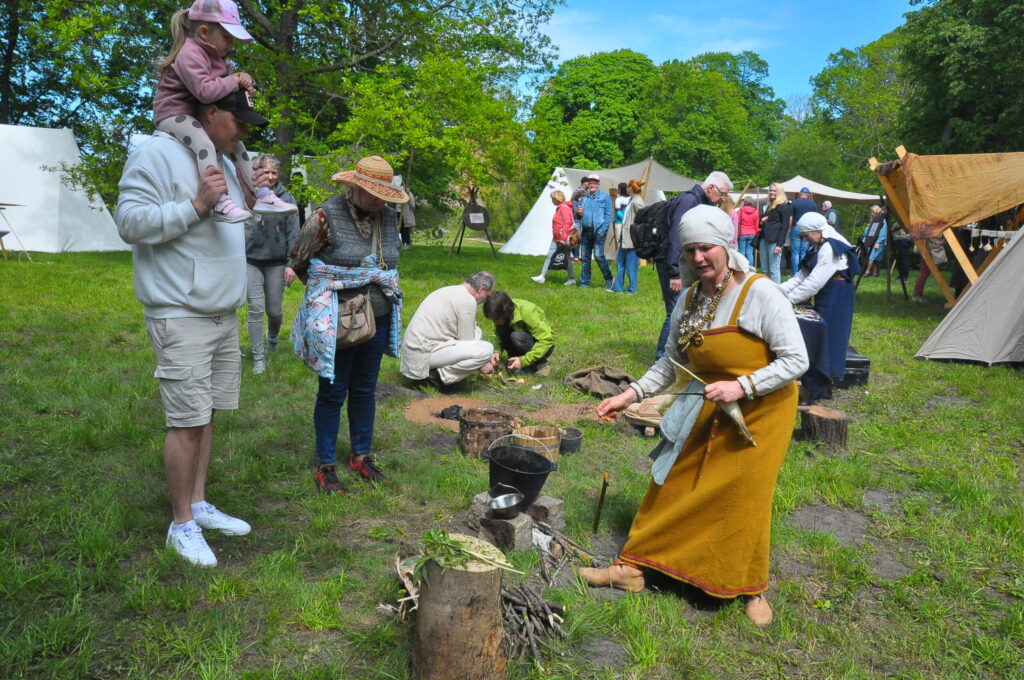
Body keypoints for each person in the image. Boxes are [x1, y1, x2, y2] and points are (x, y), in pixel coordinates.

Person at [581, 205, 808, 626]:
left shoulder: (760, 293)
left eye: (706, 248)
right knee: (673, 482)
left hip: (762, 410)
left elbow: (796, 359)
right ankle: (633, 568)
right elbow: (670, 363)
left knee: (743, 496)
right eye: (690, 251)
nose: (698, 258)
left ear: (727, 245)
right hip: (707, 402)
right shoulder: (689, 298)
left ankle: (749, 586)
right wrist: (627, 395)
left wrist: (742, 386)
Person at [115, 90, 270, 567]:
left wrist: (246, 206)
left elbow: (228, 232)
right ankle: (180, 524)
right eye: (238, 121)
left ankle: (198, 503)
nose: (244, 132)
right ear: (210, 113)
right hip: (180, 312)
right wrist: (196, 203)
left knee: (208, 413)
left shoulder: (223, 159)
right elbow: (128, 221)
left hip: (222, 312)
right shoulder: (154, 153)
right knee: (185, 421)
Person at [289, 155, 408, 493]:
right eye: (373, 194)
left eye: (384, 195)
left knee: (364, 390)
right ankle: (326, 464)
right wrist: (333, 292)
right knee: (333, 391)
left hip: (379, 316)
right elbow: (300, 259)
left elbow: (390, 261)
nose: (380, 201)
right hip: (339, 320)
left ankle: (360, 455)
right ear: (354, 188)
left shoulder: (388, 218)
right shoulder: (326, 216)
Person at [153, 0, 296, 221]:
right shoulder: (190, 53)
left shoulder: (215, 55)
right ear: (203, 32)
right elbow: (205, 92)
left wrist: (243, 78)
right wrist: (234, 79)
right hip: (173, 114)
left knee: (239, 146)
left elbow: (226, 82)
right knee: (204, 144)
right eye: (227, 37)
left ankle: (262, 195)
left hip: (193, 113)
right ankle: (219, 200)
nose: (231, 44)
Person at [779, 212, 858, 398]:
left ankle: (821, 386)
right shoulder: (818, 244)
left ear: (817, 230)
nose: (805, 238)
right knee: (821, 335)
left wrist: (788, 300)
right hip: (828, 292)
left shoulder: (829, 248)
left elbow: (813, 283)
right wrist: (776, 291)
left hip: (837, 295)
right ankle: (813, 381)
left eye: (806, 234)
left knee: (830, 336)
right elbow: (801, 276)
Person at [655, 171, 733, 358]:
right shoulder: (689, 201)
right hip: (673, 264)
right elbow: (676, 236)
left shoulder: (697, 201)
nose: (722, 199)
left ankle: (679, 353)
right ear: (711, 188)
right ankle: (662, 358)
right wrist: (675, 273)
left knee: (683, 309)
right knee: (675, 312)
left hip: (679, 264)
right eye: (722, 194)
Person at [244, 154, 299, 374]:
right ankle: (258, 356)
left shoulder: (288, 200)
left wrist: (292, 263)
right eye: (265, 171)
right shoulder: (248, 196)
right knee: (255, 309)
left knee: (274, 311)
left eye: (273, 172)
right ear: (257, 173)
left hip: (277, 262)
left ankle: (273, 339)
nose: (269, 176)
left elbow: (294, 234)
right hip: (250, 260)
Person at [400, 271, 497, 388]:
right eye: (488, 295)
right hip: (423, 355)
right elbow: (467, 341)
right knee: (486, 351)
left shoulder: (450, 290)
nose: (486, 300)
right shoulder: (468, 301)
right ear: (481, 289)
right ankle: (435, 377)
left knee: (478, 331)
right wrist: (483, 363)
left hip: (415, 352)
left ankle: (434, 373)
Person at [482, 291, 554, 375]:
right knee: (502, 329)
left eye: (497, 319)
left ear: (505, 312)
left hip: (544, 346)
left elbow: (546, 340)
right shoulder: (500, 312)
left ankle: (542, 363)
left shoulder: (527, 311)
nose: (495, 322)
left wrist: (523, 361)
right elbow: (499, 336)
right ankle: (515, 360)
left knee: (517, 336)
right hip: (523, 342)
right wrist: (496, 351)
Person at [576, 174, 614, 289]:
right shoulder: (583, 199)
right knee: (585, 258)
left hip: (599, 231)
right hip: (586, 232)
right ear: (587, 184)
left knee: (598, 256)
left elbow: (608, 216)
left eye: (594, 183)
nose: (592, 185)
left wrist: (602, 231)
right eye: (590, 183)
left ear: (598, 184)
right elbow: (578, 217)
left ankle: (609, 279)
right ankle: (585, 282)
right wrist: (579, 214)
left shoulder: (605, 197)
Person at [531, 190, 576, 286]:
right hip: (556, 238)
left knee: (565, 258)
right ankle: (542, 276)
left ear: (558, 198)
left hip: (562, 239)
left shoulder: (563, 207)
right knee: (552, 256)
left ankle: (571, 278)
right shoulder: (560, 207)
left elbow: (567, 223)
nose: (552, 201)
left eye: (553, 199)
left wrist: (563, 238)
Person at [609, 179, 646, 294]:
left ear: (631, 188)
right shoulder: (631, 200)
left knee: (631, 266)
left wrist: (638, 237)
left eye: (628, 186)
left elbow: (644, 219)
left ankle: (632, 289)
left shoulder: (637, 201)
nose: (626, 188)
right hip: (624, 238)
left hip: (632, 240)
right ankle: (617, 287)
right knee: (620, 263)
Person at [758, 183, 791, 284]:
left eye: (774, 191)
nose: (772, 192)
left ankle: (777, 294)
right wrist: (762, 221)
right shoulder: (769, 206)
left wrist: (779, 244)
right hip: (763, 239)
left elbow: (785, 227)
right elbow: (760, 223)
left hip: (774, 241)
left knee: (773, 270)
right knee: (764, 270)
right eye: (770, 191)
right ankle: (766, 291)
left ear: (779, 192)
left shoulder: (784, 207)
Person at [788, 188, 818, 275]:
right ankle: (802, 273)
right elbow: (814, 218)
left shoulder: (794, 202)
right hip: (808, 229)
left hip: (796, 227)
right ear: (808, 194)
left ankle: (794, 273)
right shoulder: (813, 204)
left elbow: (790, 217)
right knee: (804, 252)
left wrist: (789, 228)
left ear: (800, 193)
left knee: (795, 252)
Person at [911, 236, 948, 303]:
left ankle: (917, 294)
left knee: (924, 272)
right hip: (927, 247)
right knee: (925, 272)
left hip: (926, 246)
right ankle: (917, 295)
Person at [860, 205, 888, 277]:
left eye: (873, 212)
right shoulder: (874, 220)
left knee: (872, 256)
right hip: (872, 240)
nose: (871, 214)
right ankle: (875, 273)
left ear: (876, 212)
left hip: (878, 241)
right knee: (874, 257)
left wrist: (878, 241)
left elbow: (883, 232)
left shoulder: (882, 221)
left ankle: (867, 272)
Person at [736, 197, 760, 264]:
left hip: (742, 233)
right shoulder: (756, 212)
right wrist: (756, 233)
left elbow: (737, 222)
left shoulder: (740, 211)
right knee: (749, 252)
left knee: (741, 252)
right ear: (752, 203)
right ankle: (750, 269)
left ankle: (742, 268)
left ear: (744, 202)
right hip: (752, 233)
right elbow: (756, 225)